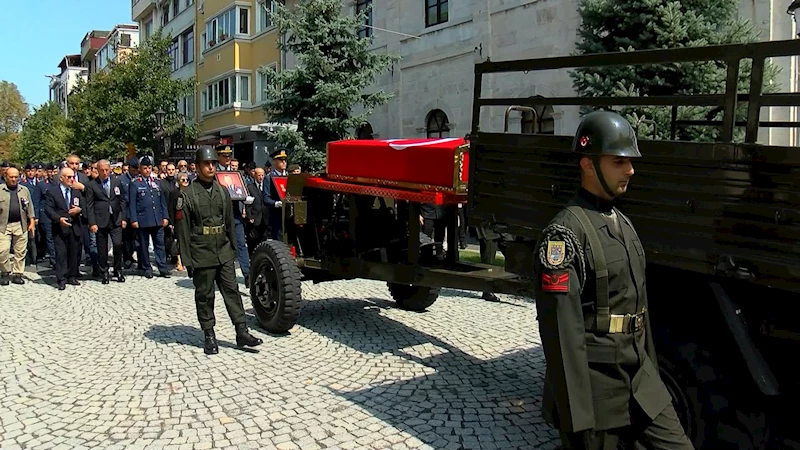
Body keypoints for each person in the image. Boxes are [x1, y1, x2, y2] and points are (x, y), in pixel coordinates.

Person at [533, 111, 693, 449]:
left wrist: (652, 374)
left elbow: (639, 309)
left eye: (630, 161)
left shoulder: (621, 222)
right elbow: (562, 333)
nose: (630, 170)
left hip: (641, 380)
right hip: (598, 390)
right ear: (588, 164)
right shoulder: (564, 236)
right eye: (619, 161)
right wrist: (578, 420)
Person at [176, 147, 263, 355]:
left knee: (232, 291)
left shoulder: (222, 191)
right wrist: (187, 261)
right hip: (201, 252)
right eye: (206, 164)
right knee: (205, 296)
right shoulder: (187, 195)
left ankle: (241, 331)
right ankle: (209, 334)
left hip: (222, 250)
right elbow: (183, 231)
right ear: (196, 167)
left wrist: (233, 249)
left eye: (213, 163)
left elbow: (229, 225)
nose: (211, 167)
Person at [128, 156, 170, 279]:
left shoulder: (157, 182)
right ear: (140, 169)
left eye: (149, 168)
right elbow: (132, 203)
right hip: (143, 219)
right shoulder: (135, 183)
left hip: (157, 218)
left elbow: (162, 201)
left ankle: (163, 267)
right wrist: (134, 219)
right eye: (145, 168)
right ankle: (147, 268)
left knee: (159, 245)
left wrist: (165, 216)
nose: (147, 170)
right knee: (143, 245)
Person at [85, 160, 127, 284]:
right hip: (100, 220)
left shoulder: (117, 182)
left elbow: (122, 201)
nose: (104, 172)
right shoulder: (92, 185)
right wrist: (92, 222)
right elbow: (89, 205)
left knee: (118, 245)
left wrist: (124, 218)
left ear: (110, 169)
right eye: (101, 170)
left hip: (116, 219)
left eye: (106, 170)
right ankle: (104, 272)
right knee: (102, 249)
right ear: (97, 170)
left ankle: (118, 269)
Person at [45, 167, 84, 290]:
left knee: (74, 252)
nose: (72, 179)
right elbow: (48, 209)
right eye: (69, 177)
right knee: (61, 254)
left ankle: (72, 275)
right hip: (60, 227)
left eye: (73, 177)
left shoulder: (76, 191)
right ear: (61, 178)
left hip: (74, 225)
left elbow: (83, 204)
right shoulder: (52, 191)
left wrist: (79, 209)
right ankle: (61, 279)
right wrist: (58, 219)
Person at [0, 167, 36, 285]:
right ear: (6, 177)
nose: (14, 179)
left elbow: (29, 207)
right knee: (3, 250)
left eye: (16, 177)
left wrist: (31, 222)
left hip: (21, 224)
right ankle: (5, 273)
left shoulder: (24, 190)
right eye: (11, 177)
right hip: (4, 225)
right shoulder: (1, 190)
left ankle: (17, 274)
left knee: (20, 252)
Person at [263, 148, 288, 240]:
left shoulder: (289, 176)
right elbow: (266, 198)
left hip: (289, 215)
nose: (284, 162)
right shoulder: (269, 178)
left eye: (285, 160)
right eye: (281, 160)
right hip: (276, 216)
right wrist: (276, 203)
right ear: (274, 162)